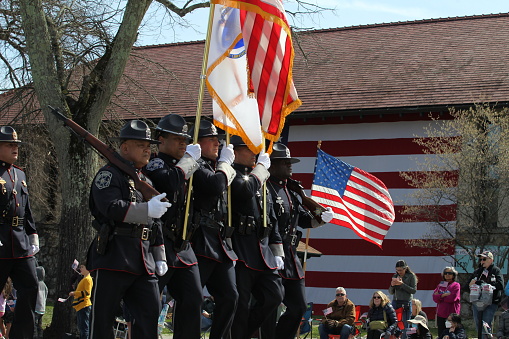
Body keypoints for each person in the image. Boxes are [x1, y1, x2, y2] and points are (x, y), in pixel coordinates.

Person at [87, 120, 170, 339]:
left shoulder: (144, 180)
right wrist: (145, 210)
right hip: (115, 256)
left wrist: (159, 254)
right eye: (141, 144)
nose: (147, 149)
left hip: (143, 259)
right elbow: (110, 207)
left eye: (149, 145)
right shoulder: (109, 175)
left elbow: (156, 220)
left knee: (149, 316)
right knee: (103, 319)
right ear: (124, 148)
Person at [261, 142, 334, 339]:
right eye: (285, 162)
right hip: (270, 254)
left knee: (299, 306)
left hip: (291, 257)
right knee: (270, 304)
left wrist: (309, 201)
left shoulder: (293, 192)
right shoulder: (266, 188)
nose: (290, 165)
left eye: (290, 161)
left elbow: (309, 218)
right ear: (272, 165)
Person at [143, 114, 203, 339]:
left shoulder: (186, 164)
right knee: (150, 301)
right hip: (161, 241)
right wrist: (189, 161)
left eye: (184, 139)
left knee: (193, 297)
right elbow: (168, 181)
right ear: (161, 139)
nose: (182, 143)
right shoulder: (156, 163)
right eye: (177, 138)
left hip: (183, 244)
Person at [229, 136, 284, 339]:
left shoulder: (259, 179)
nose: (254, 152)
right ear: (234, 151)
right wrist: (260, 169)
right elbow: (243, 191)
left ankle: (243, 333)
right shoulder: (231, 173)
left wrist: (277, 249)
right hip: (241, 249)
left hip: (262, 251)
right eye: (248, 148)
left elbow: (271, 217)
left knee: (274, 296)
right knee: (241, 304)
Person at [190, 120, 239, 339]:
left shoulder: (213, 166)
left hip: (219, 240)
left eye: (216, 139)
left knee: (230, 296)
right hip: (199, 239)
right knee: (192, 297)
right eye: (210, 139)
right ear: (197, 143)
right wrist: (226, 165)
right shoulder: (195, 164)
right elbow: (214, 185)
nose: (217, 143)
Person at [0, 126, 40, 339]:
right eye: (9, 145)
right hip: (1, 242)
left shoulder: (20, 173)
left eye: (16, 145)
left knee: (30, 287)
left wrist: (32, 233)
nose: (15, 148)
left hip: (20, 241)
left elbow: (26, 206)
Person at [468, 251, 504, 334]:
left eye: (484, 259)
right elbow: (466, 286)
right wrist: (471, 284)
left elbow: (501, 285)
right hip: (477, 302)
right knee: (478, 323)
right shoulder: (478, 271)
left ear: (491, 260)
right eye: (480, 259)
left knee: (486, 323)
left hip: (490, 303)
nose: (482, 261)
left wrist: (486, 285)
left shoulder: (496, 270)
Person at [389, 260, 418, 339]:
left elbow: (413, 290)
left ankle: (404, 337)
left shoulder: (411, 276)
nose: (399, 272)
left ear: (405, 268)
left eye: (401, 270)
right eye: (397, 270)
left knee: (405, 324)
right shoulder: (395, 276)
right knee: (394, 323)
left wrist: (402, 284)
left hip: (406, 302)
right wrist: (392, 285)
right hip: (396, 301)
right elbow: (391, 292)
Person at [433, 267, 460, 336]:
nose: (447, 275)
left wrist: (440, 296)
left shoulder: (456, 285)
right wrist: (444, 295)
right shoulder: (440, 285)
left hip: (451, 314)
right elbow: (435, 298)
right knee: (441, 334)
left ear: (453, 275)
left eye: (450, 273)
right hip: (441, 314)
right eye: (445, 273)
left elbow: (452, 298)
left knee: (451, 334)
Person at [70, 264, 93, 339]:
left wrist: (75, 293)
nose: (80, 269)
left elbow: (87, 293)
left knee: (84, 328)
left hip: (84, 305)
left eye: (82, 267)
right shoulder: (84, 279)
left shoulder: (88, 279)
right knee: (81, 327)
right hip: (81, 306)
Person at [34, 266, 48, 339]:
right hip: (42, 308)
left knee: (34, 325)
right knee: (39, 325)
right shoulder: (44, 285)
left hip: (36, 307)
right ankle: (40, 336)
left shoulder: (36, 284)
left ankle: (35, 337)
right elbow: (46, 295)